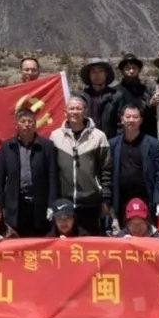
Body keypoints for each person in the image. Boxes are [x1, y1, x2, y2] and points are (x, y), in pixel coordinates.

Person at [50, 96, 112, 235]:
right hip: (64, 203)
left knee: (90, 242)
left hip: (91, 202)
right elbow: (52, 171)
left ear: (85, 111)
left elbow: (106, 170)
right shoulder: (55, 136)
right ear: (65, 112)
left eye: (78, 108)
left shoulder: (99, 137)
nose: (75, 112)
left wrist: (106, 199)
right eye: (71, 108)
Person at [0, 108, 58, 237]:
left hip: (39, 204)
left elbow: (53, 177)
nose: (26, 125)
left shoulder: (47, 146)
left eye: (30, 121)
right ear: (16, 125)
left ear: (35, 124)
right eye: (23, 121)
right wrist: (0, 206)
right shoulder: (7, 146)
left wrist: (51, 205)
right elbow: (0, 179)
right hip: (16, 205)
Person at [108, 104, 159, 227]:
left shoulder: (153, 144)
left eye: (135, 117)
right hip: (122, 199)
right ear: (122, 119)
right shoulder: (112, 144)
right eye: (128, 117)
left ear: (141, 120)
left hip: (145, 198)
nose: (131, 120)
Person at [79, 57, 121, 138]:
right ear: (89, 75)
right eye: (93, 72)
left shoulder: (116, 96)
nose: (97, 74)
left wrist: (116, 142)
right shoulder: (81, 97)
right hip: (86, 140)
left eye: (100, 71)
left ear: (106, 74)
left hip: (109, 141)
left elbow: (121, 123)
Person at [111, 53, 154, 131]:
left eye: (134, 68)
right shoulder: (114, 91)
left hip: (144, 132)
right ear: (122, 71)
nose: (131, 71)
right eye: (127, 68)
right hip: (122, 133)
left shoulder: (146, 90)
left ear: (139, 70)